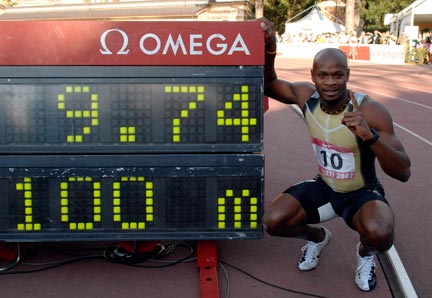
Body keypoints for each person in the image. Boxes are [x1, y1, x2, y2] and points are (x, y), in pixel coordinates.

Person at [259, 19, 411, 292]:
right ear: (313, 75)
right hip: (325, 188)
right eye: (323, 75)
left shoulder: (371, 111)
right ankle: (317, 236)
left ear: (348, 74)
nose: (330, 82)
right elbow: (269, 84)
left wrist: (369, 136)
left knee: (381, 235)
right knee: (272, 222)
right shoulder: (306, 96)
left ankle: (365, 256)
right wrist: (271, 50)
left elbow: (403, 171)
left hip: (361, 193)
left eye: (337, 75)